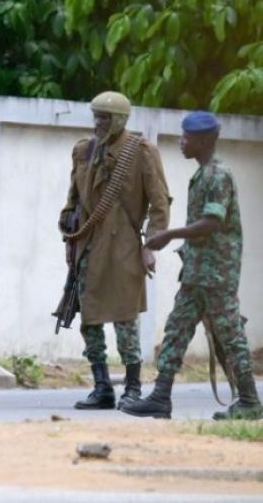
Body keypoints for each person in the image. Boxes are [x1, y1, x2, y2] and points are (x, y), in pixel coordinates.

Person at [122, 111, 262, 420]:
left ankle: (250, 402)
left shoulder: (217, 175)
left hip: (216, 275)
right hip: (198, 273)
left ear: (202, 141)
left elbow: (212, 222)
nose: (181, 143)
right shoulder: (202, 174)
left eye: (186, 138)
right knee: (176, 331)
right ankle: (160, 397)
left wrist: (169, 235)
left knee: (230, 336)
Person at [58, 91, 171, 410]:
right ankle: (102, 387)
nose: (98, 123)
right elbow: (74, 202)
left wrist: (151, 245)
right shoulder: (84, 150)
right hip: (88, 247)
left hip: (123, 248)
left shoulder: (141, 152)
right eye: (96, 116)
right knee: (89, 321)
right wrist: (70, 238)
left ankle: (132, 387)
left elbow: (159, 204)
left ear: (120, 119)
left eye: (105, 117)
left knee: (125, 320)